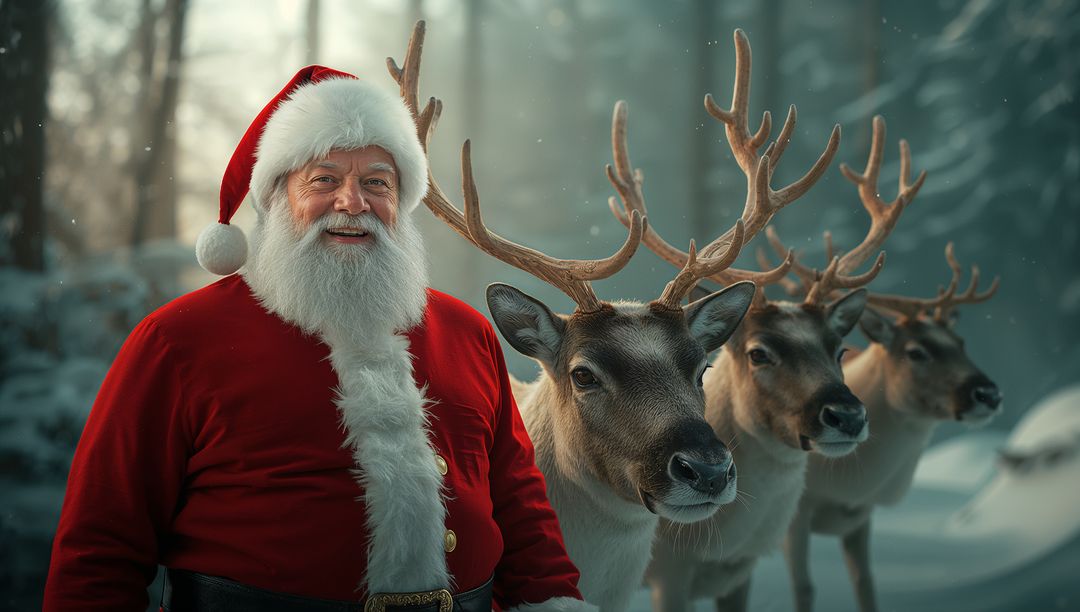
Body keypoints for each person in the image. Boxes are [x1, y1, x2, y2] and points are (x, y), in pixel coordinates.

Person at [43, 66, 591, 612]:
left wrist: (553, 601)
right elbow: (100, 548)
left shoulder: (466, 333)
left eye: (377, 182)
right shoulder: (177, 340)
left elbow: (520, 506)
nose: (352, 202)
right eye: (324, 179)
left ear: (402, 202)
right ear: (277, 197)